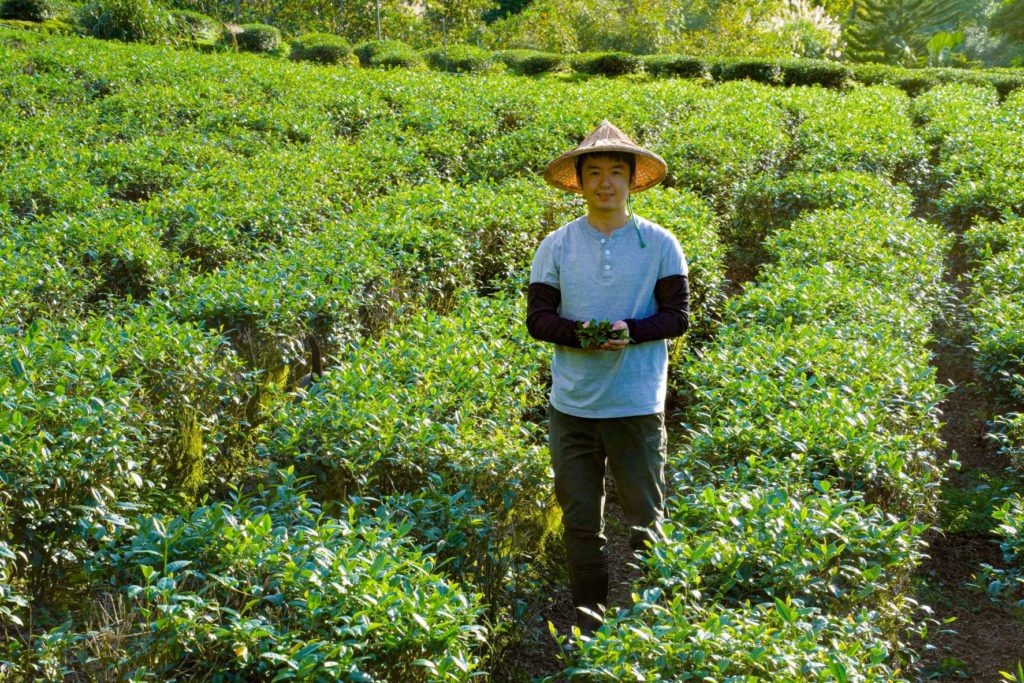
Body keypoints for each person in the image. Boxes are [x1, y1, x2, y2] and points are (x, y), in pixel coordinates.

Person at [526, 120, 690, 636]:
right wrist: (582, 335)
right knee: (580, 524)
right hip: (572, 407)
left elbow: (677, 316)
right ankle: (588, 627)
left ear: (630, 180)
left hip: (637, 405)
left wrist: (629, 330)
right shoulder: (555, 245)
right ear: (579, 181)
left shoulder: (662, 244)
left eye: (614, 172)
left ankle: (652, 631)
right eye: (593, 172)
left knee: (645, 520)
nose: (604, 183)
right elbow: (539, 319)